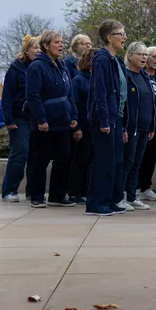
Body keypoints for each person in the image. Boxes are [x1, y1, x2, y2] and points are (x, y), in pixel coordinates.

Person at [25, 30, 78, 208]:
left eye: (62, 42)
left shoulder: (62, 66)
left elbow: (69, 92)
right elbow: (33, 95)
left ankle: (57, 195)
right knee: (41, 159)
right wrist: (41, 119)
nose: (61, 45)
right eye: (57, 42)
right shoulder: (36, 67)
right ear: (46, 45)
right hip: (45, 123)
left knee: (64, 157)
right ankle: (37, 196)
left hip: (63, 120)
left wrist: (73, 115)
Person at [85, 20, 129, 216]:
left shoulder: (117, 60)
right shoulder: (101, 59)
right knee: (103, 161)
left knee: (116, 161)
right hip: (105, 119)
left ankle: (111, 200)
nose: (124, 38)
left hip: (116, 118)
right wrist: (104, 120)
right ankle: (96, 203)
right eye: (120, 34)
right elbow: (100, 92)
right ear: (109, 37)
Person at [0, 35, 40, 202]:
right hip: (20, 118)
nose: (38, 51)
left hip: (37, 118)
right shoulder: (15, 69)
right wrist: (9, 119)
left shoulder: (42, 68)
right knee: (20, 153)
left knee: (36, 155)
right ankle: (10, 190)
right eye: (35, 48)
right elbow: (7, 96)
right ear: (26, 50)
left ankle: (33, 191)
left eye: (40, 48)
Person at [122, 42, 156, 210]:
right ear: (130, 56)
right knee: (127, 162)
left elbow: (151, 102)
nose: (144, 57)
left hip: (144, 127)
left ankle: (131, 195)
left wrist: (151, 126)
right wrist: (123, 127)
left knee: (137, 163)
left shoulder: (144, 76)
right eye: (140, 54)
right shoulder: (125, 75)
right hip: (130, 128)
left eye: (145, 54)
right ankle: (120, 196)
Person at [137, 46, 156, 202]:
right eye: (153, 56)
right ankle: (134, 188)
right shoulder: (141, 75)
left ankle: (145, 188)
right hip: (143, 122)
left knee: (151, 156)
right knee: (139, 156)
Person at [67, 50, 93, 205]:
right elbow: (74, 104)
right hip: (83, 126)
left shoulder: (98, 80)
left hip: (94, 127)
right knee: (80, 160)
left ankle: (85, 191)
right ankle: (74, 192)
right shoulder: (78, 80)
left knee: (90, 161)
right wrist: (76, 127)